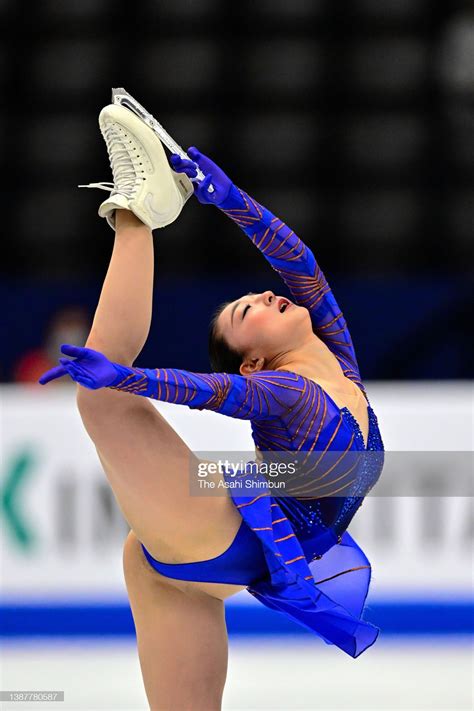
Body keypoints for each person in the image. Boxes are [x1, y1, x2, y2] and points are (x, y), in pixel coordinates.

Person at [39, 104, 384, 711]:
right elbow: (212, 390)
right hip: (222, 542)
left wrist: (228, 198)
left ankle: (147, 205)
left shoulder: (337, 361)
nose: (267, 294)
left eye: (257, 297)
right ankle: (136, 210)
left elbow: (298, 262)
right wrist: (123, 377)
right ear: (253, 361)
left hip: (220, 546)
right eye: (250, 312)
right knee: (103, 403)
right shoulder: (286, 392)